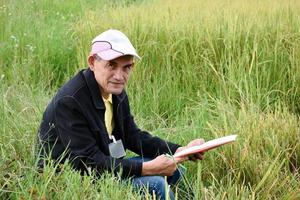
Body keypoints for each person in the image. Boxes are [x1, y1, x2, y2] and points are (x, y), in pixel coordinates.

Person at [37, 29, 205, 200]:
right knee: (156, 183)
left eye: (127, 67)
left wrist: (179, 150)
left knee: (175, 170)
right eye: (111, 65)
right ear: (92, 62)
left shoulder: (116, 92)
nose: (119, 76)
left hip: (105, 165)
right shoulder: (71, 102)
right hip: (72, 179)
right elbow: (87, 162)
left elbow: (133, 136)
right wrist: (148, 168)